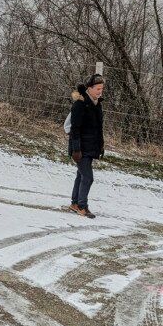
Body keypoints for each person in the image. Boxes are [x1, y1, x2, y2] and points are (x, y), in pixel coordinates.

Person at [68, 73, 105, 218]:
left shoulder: (97, 104)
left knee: (81, 175)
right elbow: (75, 129)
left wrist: (100, 145)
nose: (100, 91)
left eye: (102, 89)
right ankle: (82, 206)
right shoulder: (80, 104)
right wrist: (76, 149)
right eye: (97, 89)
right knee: (88, 177)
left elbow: (98, 128)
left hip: (91, 147)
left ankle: (75, 203)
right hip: (81, 148)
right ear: (89, 88)